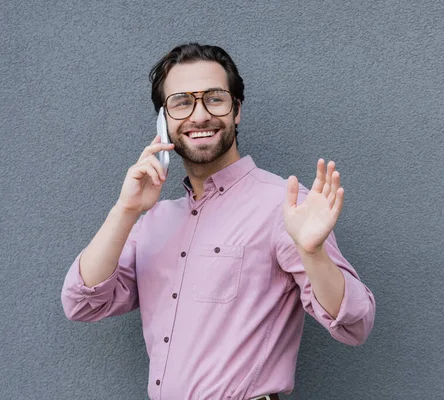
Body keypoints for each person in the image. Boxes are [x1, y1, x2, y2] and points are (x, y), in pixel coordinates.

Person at [61, 43, 375, 400]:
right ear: (163, 121)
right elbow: (82, 303)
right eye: (181, 102)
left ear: (236, 110)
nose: (199, 116)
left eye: (214, 98)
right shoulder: (154, 221)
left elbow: (356, 324)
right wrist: (126, 209)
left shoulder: (284, 206)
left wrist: (314, 252)